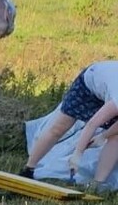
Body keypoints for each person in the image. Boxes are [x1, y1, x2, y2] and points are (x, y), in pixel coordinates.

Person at [21, 61, 118, 190]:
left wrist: (103, 136)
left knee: (116, 137)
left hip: (108, 92)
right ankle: (29, 169)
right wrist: (77, 154)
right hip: (88, 85)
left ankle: (97, 184)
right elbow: (92, 124)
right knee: (60, 126)